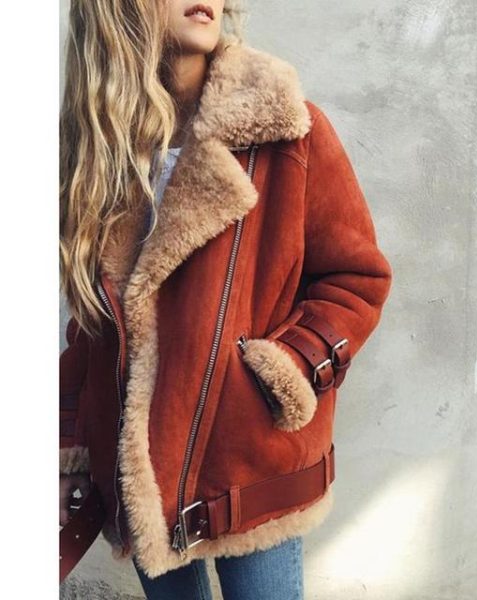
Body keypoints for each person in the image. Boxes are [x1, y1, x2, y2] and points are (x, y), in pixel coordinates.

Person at [59, 1, 393, 598]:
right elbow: (91, 326)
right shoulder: (102, 158)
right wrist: (68, 444)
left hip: (252, 466)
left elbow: (356, 279)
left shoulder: (285, 130)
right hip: (141, 471)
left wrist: (284, 368)